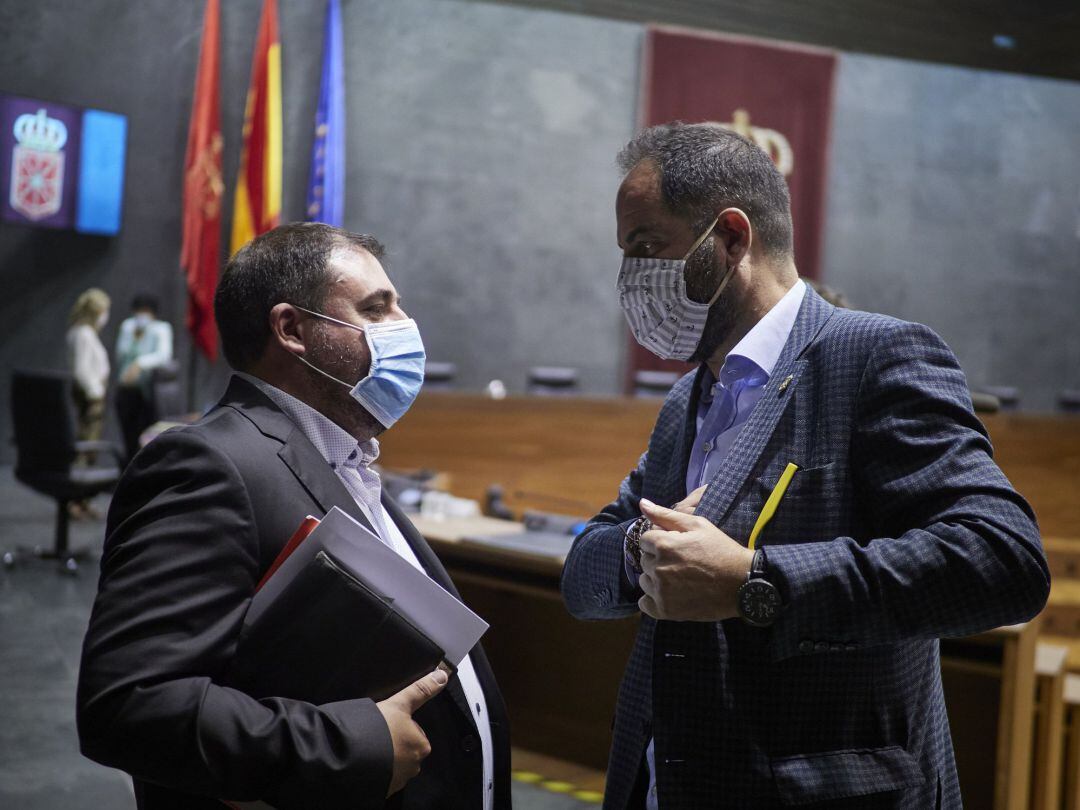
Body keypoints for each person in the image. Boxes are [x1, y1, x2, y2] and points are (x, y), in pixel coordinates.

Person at [560, 122, 1049, 810]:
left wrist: (755, 583)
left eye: (647, 246)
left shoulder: (874, 356)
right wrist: (641, 547)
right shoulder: (687, 397)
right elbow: (583, 575)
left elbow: (1002, 562)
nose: (631, 278)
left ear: (731, 239)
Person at [78, 223, 510, 810]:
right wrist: (350, 746)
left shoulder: (346, 462)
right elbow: (131, 703)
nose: (405, 328)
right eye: (376, 309)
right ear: (291, 329)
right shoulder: (208, 463)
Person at [66, 288, 111, 518]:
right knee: (85, 447)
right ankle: (75, 499)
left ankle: (82, 499)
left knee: (89, 446)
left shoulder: (81, 332)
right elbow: (82, 369)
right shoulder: (83, 333)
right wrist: (95, 392)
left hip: (90, 395)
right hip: (90, 397)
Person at [114, 293, 174, 460]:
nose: (141, 315)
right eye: (138, 311)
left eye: (145, 311)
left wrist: (139, 363)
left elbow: (163, 355)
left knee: (147, 441)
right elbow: (121, 354)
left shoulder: (161, 328)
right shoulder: (128, 327)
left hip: (148, 393)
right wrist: (135, 338)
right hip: (126, 390)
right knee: (129, 440)